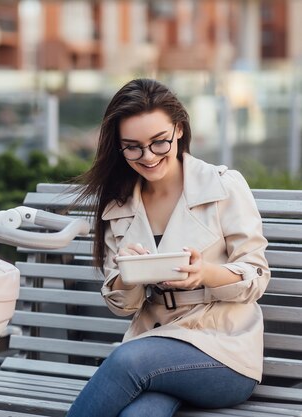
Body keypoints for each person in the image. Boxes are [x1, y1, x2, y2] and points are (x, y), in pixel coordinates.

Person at [66, 78, 269, 417]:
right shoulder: (120, 205)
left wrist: (205, 273)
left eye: (158, 142)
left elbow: (257, 276)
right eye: (132, 147)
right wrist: (127, 278)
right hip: (157, 349)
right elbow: (124, 307)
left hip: (222, 350)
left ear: (178, 129)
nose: (147, 157)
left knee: (127, 360)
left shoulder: (222, 186)